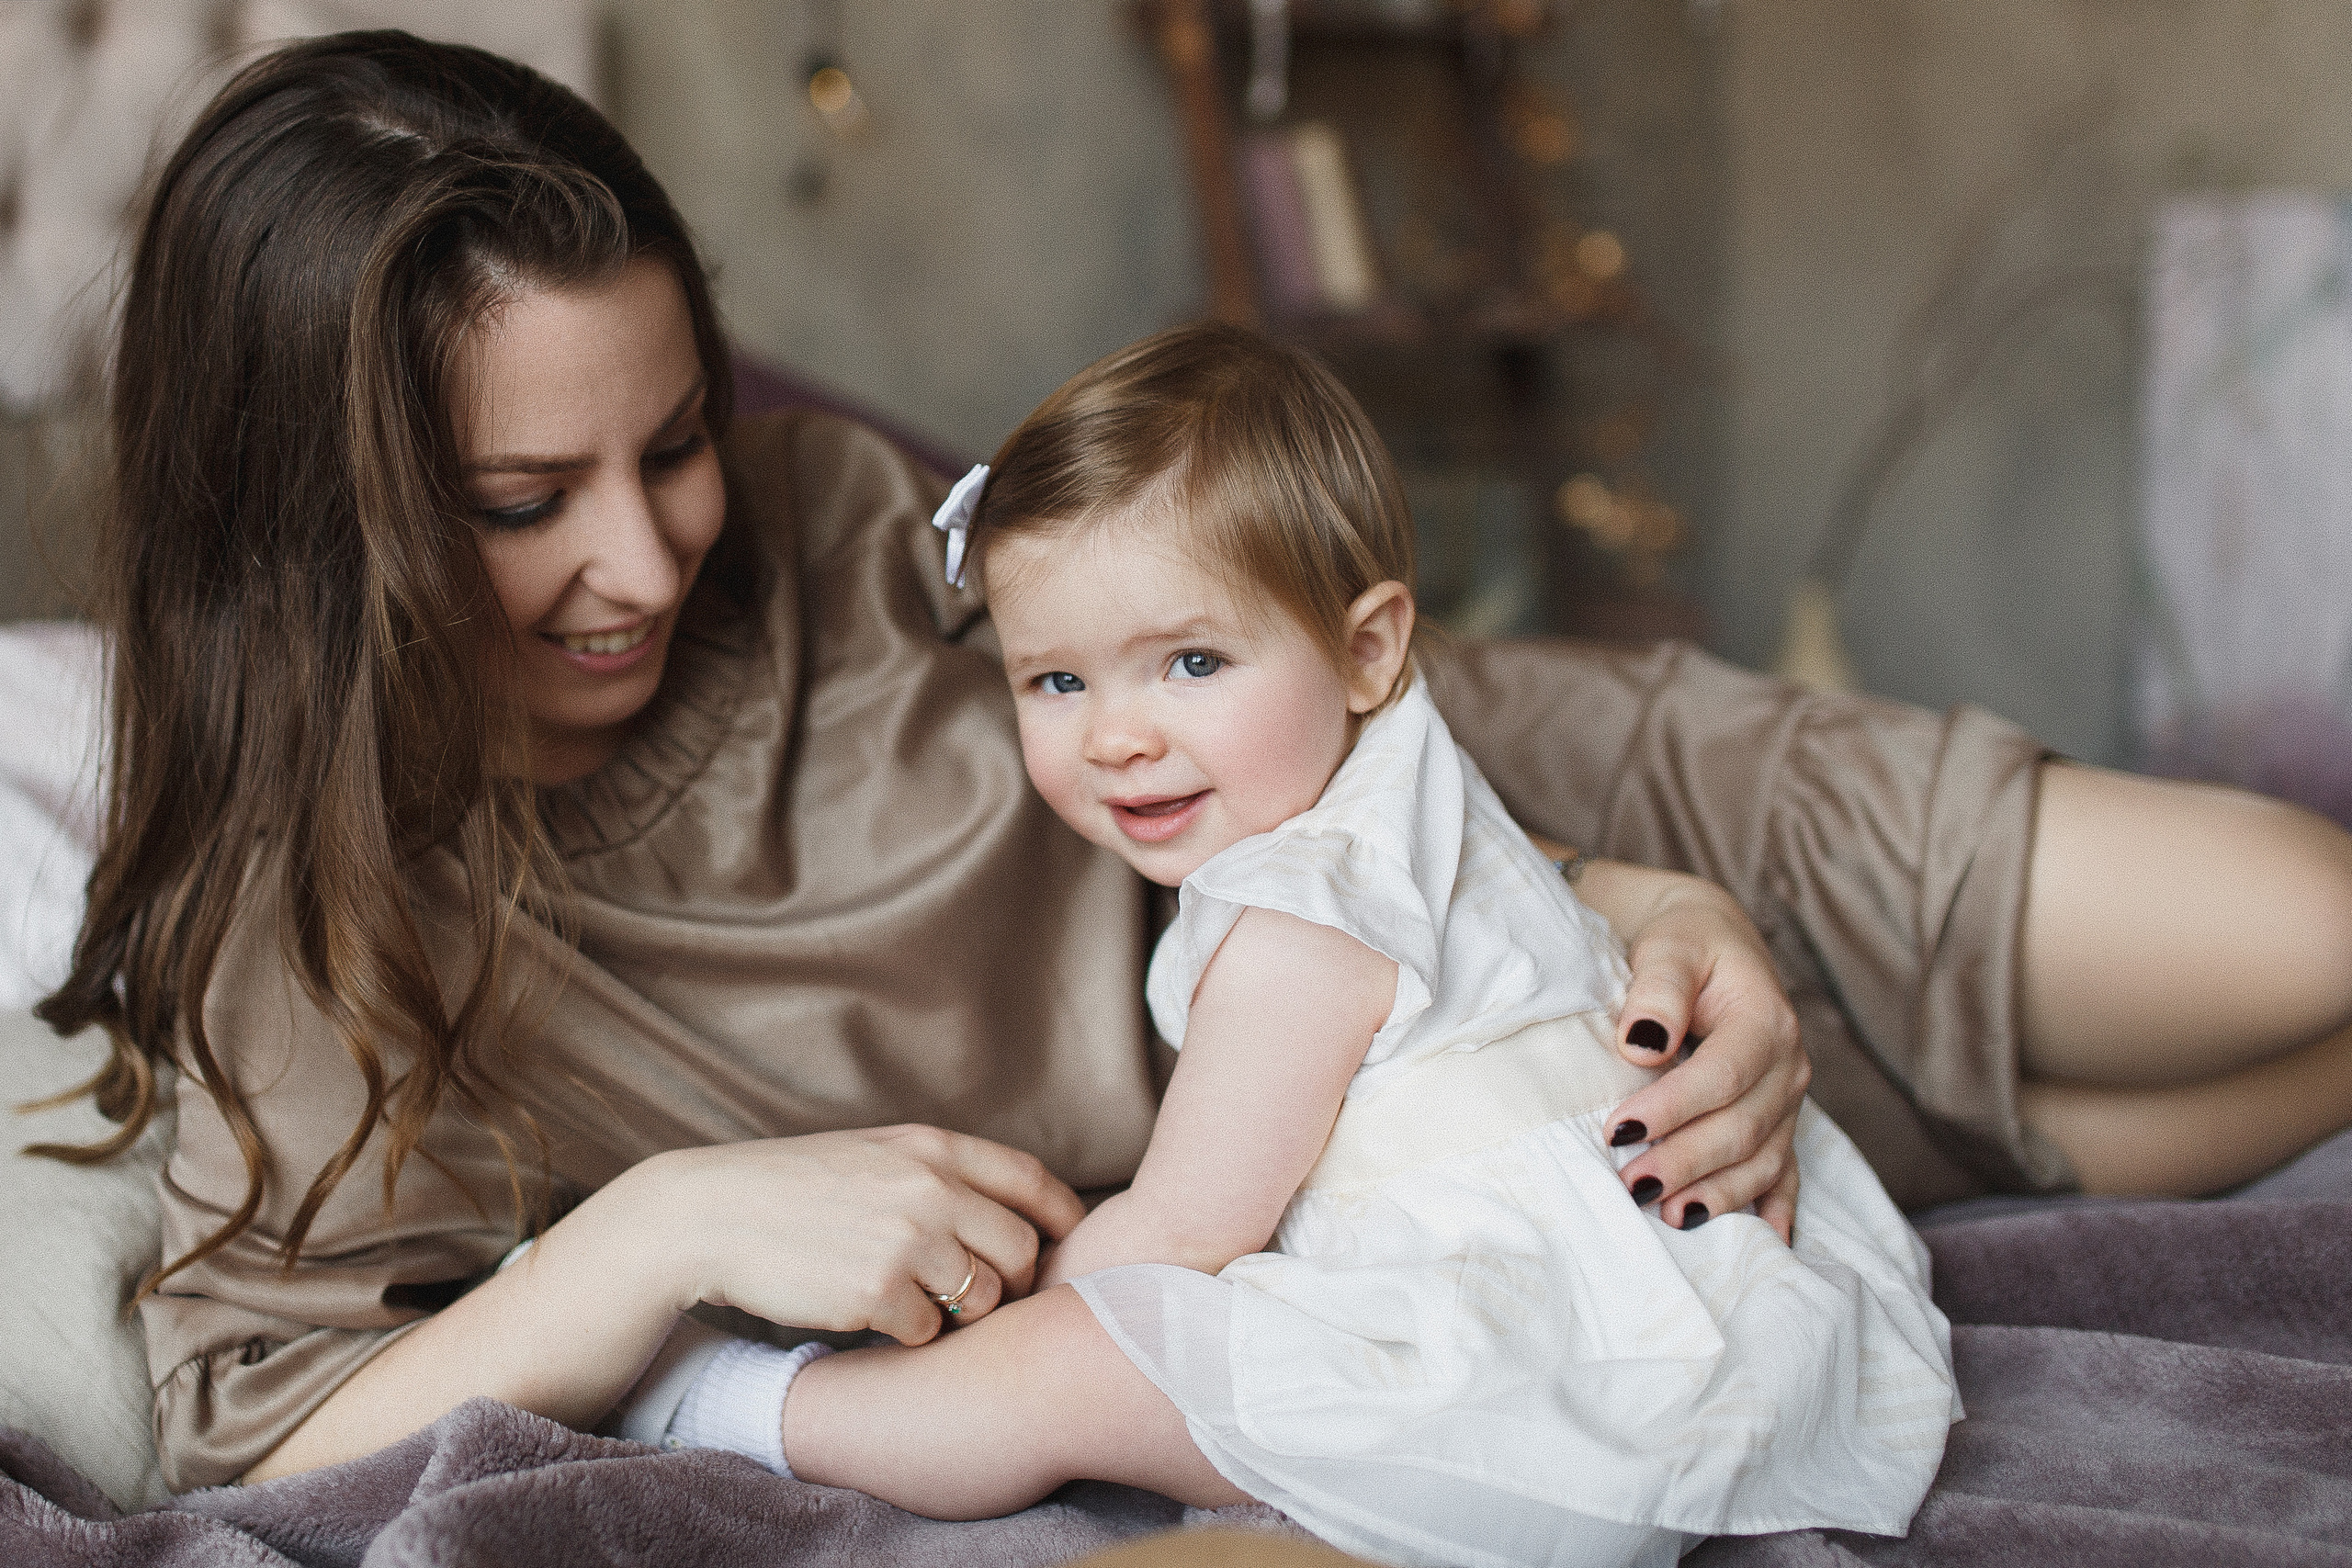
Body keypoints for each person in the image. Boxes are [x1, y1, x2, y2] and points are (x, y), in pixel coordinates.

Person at [31, 30, 2352, 1500]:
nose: (643, 556)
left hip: (1490, 850)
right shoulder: (309, 920)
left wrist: (1664, 903)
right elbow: (264, 1445)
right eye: (522, 502)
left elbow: (1221, 683)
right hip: (1412, 1168)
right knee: (2229, 1086)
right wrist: (663, 1228)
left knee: (2300, 928)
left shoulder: (842, 526)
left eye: (671, 443)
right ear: (315, 532)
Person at [746, 324, 1960, 1568]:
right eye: (1057, 683)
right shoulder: (1406, 780)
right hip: (1702, 1300)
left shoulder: (1300, 920)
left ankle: (738, 1405)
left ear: (1369, 647)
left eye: (1192, 662)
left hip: (1548, 1368)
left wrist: (1024, 1295)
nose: (1116, 737)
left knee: (1065, 1365)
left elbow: (1176, 1235)